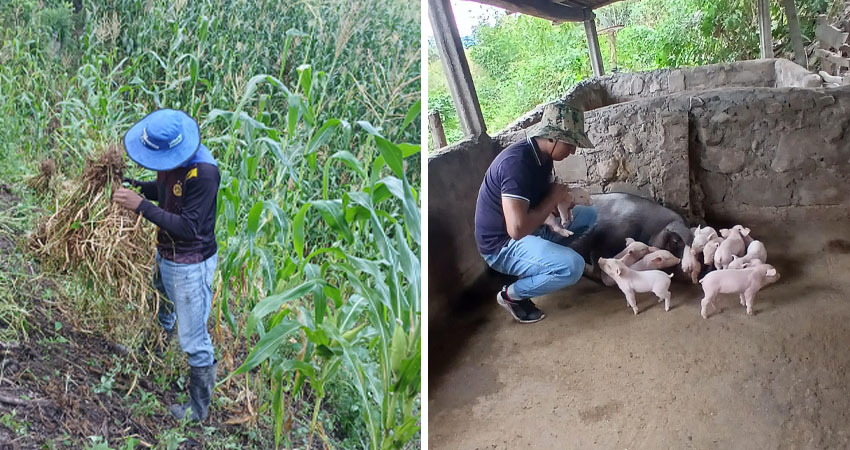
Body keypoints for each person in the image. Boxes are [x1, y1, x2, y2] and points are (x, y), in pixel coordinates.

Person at [112, 109, 220, 421]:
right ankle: (150, 357)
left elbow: (189, 227)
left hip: (190, 263)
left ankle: (198, 411)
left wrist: (141, 206)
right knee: (162, 308)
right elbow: (165, 191)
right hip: (167, 254)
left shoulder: (204, 174)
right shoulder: (173, 161)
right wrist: (135, 186)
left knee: (193, 337)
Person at [474, 102, 597, 323]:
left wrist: (553, 219)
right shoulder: (517, 165)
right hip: (501, 245)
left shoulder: (542, 157)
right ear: (552, 138)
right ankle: (511, 295)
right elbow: (516, 229)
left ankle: (538, 267)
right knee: (573, 267)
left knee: (588, 216)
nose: (573, 150)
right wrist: (552, 199)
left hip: (526, 230)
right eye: (570, 143)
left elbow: (535, 204)